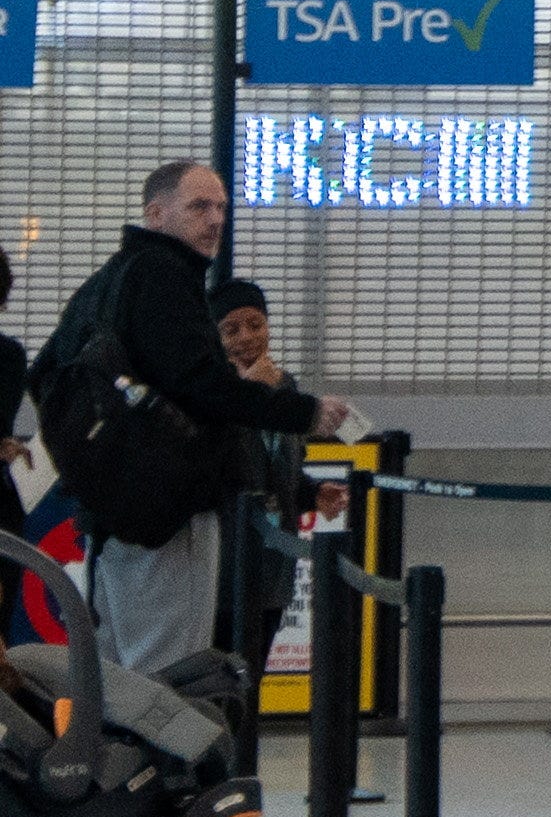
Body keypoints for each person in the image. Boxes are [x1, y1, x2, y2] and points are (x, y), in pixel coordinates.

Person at [42, 158, 339, 709]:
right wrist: (301, 412)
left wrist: (105, 457)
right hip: (167, 513)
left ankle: (113, 788)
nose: (215, 219)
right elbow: (204, 385)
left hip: (114, 517)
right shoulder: (164, 279)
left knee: (114, 678)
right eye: (199, 206)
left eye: (222, 207)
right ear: (156, 214)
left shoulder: (109, 280)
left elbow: (45, 375)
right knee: (168, 681)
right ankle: (164, 793)